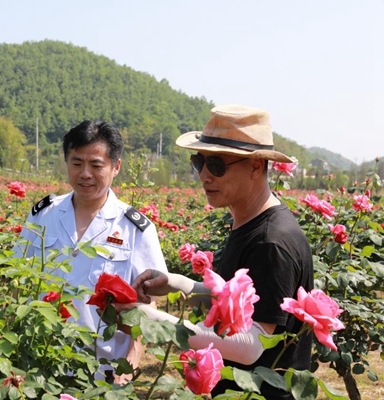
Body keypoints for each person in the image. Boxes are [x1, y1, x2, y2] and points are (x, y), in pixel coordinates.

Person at [131, 105, 314, 399]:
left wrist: (153, 320)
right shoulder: (250, 223)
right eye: (198, 162)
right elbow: (237, 303)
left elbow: (250, 345)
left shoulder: (271, 242)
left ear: (256, 166)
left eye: (216, 164)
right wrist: (180, 284)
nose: (204, 175)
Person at [14, 120, 168, 383]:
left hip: (105, 374)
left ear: (115, 167)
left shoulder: (134, 228)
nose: (85, 173)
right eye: (76, 163)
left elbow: (149, 304)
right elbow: (18, 282)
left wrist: (128, 367)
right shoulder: (43, 215)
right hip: (40, 367)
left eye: (96, 165)